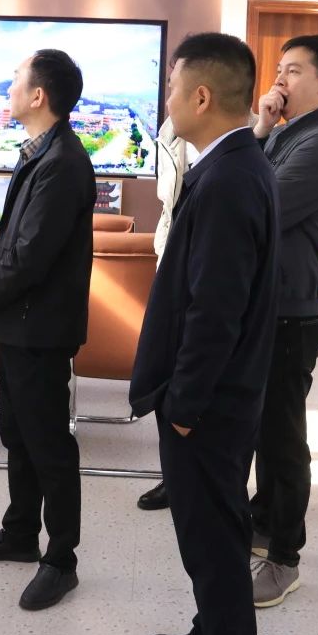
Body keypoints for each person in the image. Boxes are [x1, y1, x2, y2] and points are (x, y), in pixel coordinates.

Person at [129, 32, 279, 635]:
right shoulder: (232, 164)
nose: (166, 100)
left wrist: (186, 405)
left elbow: (214, 310)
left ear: (201, 96)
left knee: (212, 532)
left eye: (171, 87)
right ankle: (209, 632)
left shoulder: (229, 178)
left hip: (209, 403)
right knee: (209, 528)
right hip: (221, 394)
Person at [0, 49, 96, 612]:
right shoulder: (39, 152)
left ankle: (61, 560)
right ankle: (20, 532)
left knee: (49, 445)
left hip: (40, 327)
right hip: (19, 323)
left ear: (38, 95)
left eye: (16, 79)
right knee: (18, 433)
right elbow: (7, 238)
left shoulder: (63, 162)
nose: (9, 86)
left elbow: (31, 255)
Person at [247, 34, 318, 609]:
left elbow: (256, 205)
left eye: (293, 70)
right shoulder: (291, 133)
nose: (279, 80)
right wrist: (263, 127)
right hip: (271, 307)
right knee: (267, 431)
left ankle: (284, 558)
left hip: (291, 314)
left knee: (284, 441)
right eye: (279, 69)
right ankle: (263, 522)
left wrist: (262, 139)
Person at [135, 114, 197, 513]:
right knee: (168, 373)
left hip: (200, 269)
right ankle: (172, 476)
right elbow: (168, 204)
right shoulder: (170, 131)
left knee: (194, 373)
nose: (169, 99)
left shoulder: (243, 139)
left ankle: (193, 478)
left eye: (175, 87)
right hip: (170, 257)